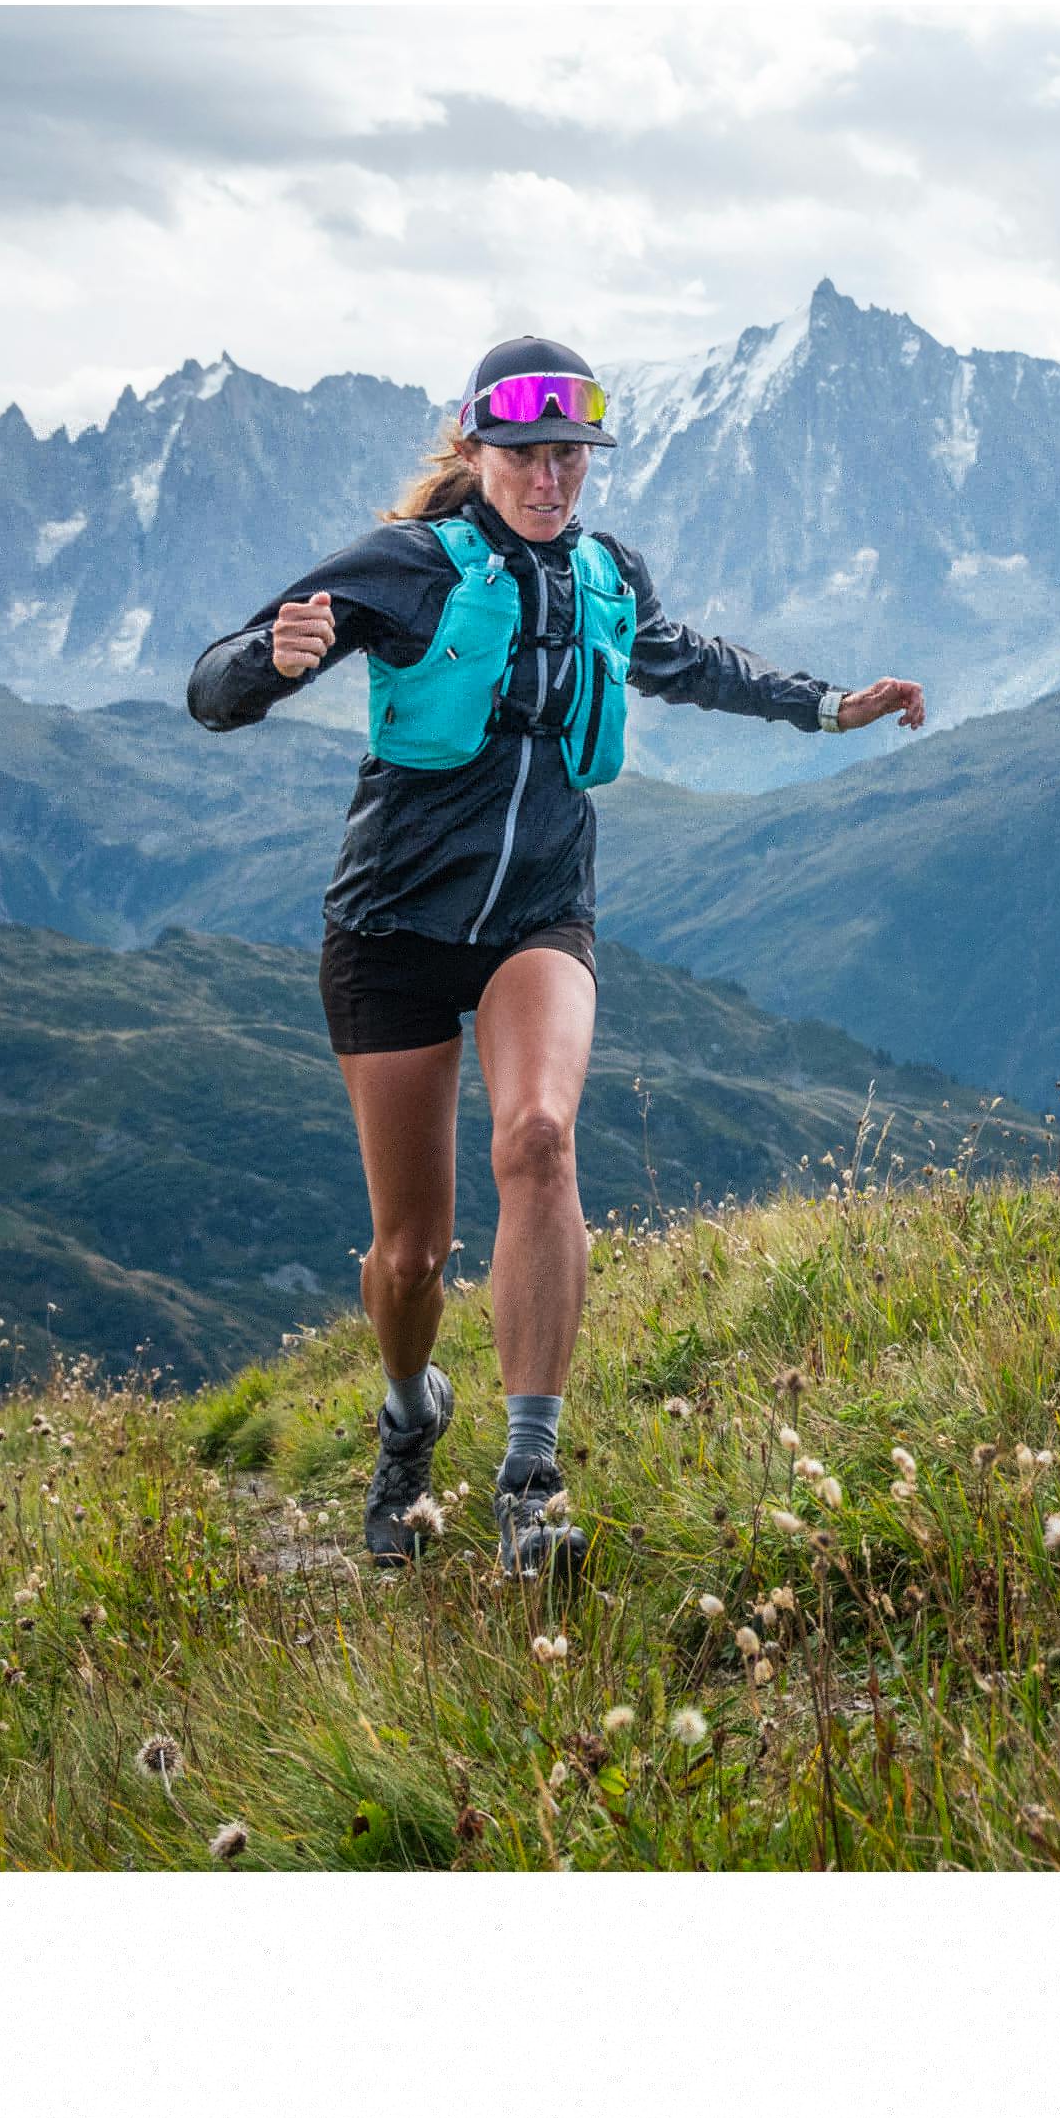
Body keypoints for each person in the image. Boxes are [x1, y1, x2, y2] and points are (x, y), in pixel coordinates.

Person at [186, 335, 924, 1580]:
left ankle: (531, 1481)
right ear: (473, 451)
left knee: (537, 1136)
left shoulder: (601, 573)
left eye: (572, 455)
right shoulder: (406, 566)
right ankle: (411, 1412)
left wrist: (828, 705)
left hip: (539, 917)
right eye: (527, 453)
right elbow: (212, 687)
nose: (551, 477)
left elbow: (689, 660)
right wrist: (271, 660)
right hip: (392, 931)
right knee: (410, 1254)